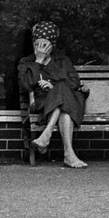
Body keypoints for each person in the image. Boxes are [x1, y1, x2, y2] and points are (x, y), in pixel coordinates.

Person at [19, 21, 89, 168]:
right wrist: (38, 62)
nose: (40, 48)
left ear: (52, 45)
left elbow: (75, 82)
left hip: (69, 100)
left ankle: (46, 134)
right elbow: (26, 85)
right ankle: (69, 155)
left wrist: (53, 86)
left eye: (44, 45)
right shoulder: (26, 62)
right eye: (37, 44)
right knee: (64, 108)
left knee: (62, 91)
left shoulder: (62, 60)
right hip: (44, 103)